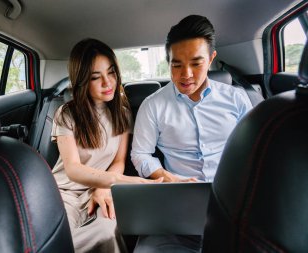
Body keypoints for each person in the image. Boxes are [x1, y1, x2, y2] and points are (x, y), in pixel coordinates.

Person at [131, 15, 253, 252]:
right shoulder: (152, 105)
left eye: (196, 63)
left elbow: (252, 150)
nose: (185, 74)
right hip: (177, 204)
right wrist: (167, 177)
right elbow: (141, 154)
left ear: (211, 59)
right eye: (176, 64)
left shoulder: (236, 99)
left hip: (232, 202)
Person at [51, 38, 161, 253]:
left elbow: (119, 161)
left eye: (111, 72)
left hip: (102, 187)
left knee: (106, 231)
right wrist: (125, 181)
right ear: (82, 81)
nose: (107, 82)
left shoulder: (123, 113)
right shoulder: (66, 114)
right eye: (95, 77)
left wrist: (104, 187)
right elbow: (73, 169)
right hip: (65, 191)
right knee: (61, 237)